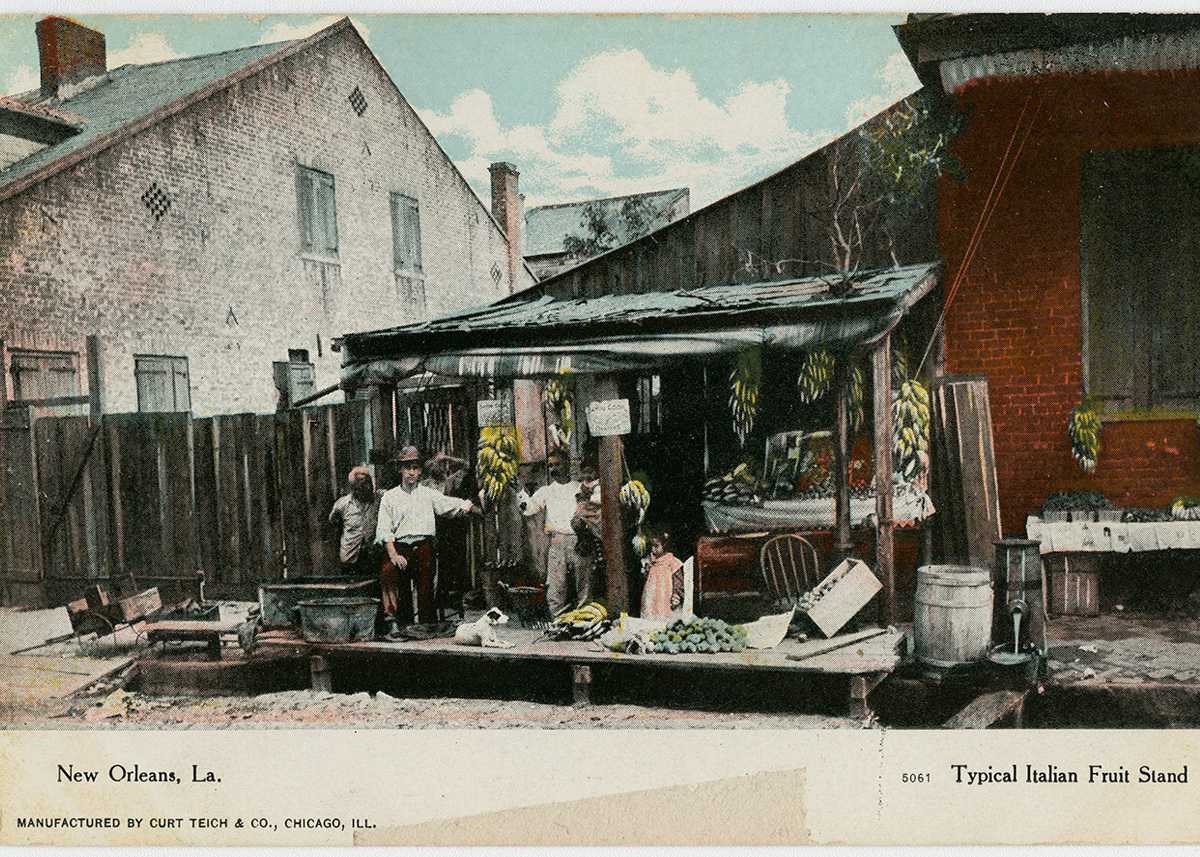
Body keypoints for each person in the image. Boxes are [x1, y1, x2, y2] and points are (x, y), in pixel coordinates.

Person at [375, 446, 479, 638]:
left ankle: (426, 630)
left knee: (426, 591)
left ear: (420, 470)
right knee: (401, 589)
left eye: (415, 467)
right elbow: (383, 529)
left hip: (424, 547)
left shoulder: (428, 494)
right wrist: (394, 554)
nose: (411, 472)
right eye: (407, 468)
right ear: (400, 470)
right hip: (401, 548)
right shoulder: (390, 497)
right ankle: (404, 628)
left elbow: (448, 504)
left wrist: (467, 504)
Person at [518, 451, 588, 616]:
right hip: (556, 541)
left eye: (557, 464)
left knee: (583, 584)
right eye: (550, 465)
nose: (553, 468)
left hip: (579, 539)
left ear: (567, 464)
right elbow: (528, 509)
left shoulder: (579, 488)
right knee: (556, 585)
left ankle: (585, 620)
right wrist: (520, 493)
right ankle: (557, 620)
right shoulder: (546, 491)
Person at [328, 465, 381, 577]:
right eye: (363, 485)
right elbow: (333, 525)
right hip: (350, 558)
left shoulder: (379, 500)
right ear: (354, 488)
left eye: (369, 483)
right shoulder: (342, 504)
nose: (368, 487)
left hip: (372, 557)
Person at [640, 528, 685, 620]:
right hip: (652, 596)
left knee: (664, 616)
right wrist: (646, 568)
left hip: (665, 595)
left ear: (665, 546)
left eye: (656, 546)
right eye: (651, 546)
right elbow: (646, 578)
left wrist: (676, 595)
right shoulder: (651, 562)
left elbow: (678, 581)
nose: (653, 549)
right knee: (649, 614)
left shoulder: (672, 562)